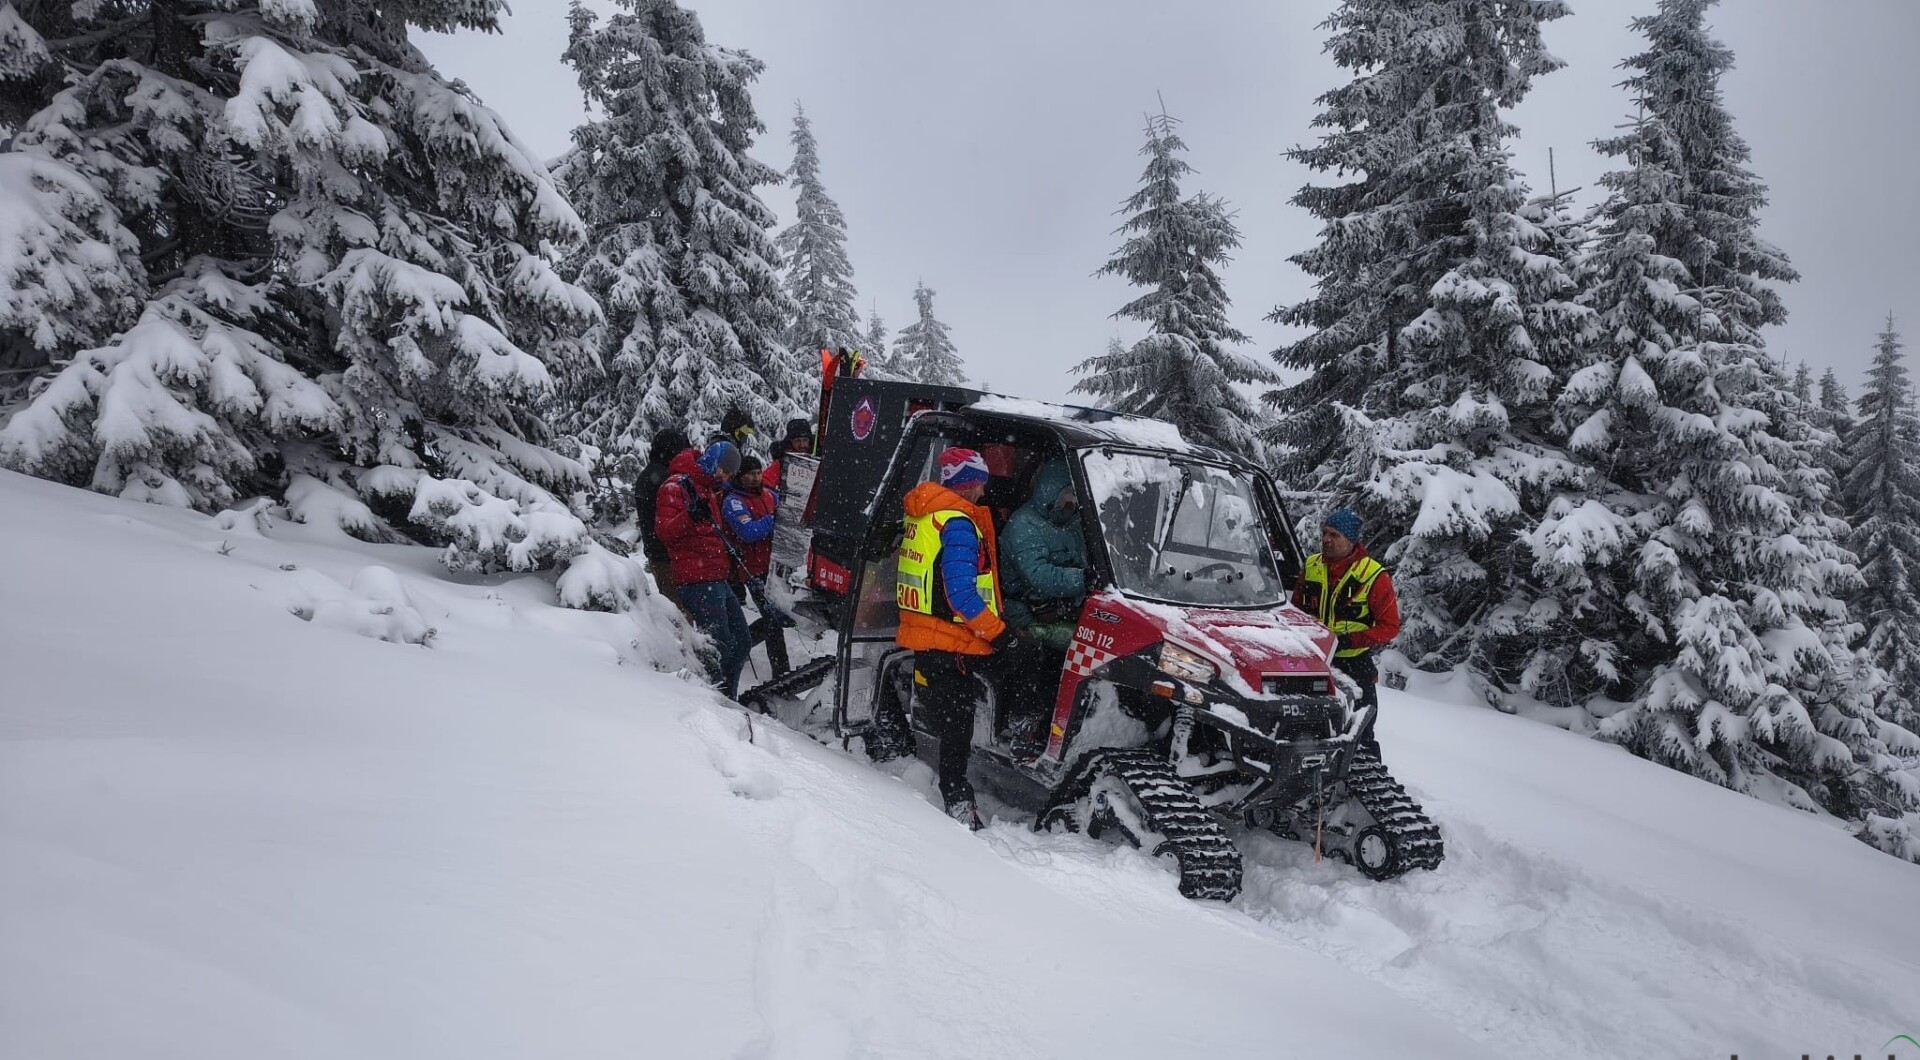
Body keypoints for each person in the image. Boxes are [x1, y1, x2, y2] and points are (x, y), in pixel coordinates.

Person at [895, 447, 1025, 830]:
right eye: (981, 483)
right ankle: (957, 795)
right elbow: (961, 594)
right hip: (950, 636)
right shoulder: (958, 524)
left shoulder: (927, 514)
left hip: (926, 630)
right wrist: (1000, 634)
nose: (984, 492)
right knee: (959, 721)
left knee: (952, 713)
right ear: (969, 484)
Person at [997, 458, 1091, 754]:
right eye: (1068, 495)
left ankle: (1068, 729)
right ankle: (1024, 727)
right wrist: (1083, 579)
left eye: (1076, 496)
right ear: (1051, 491)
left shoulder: (1074, 525)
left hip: (1059, 610)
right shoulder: (1023, 526)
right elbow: (1039, 577)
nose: (1072, 503)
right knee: (1036, 656)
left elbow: (1087, 560)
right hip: (1022, 610)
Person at [1292, 509, 1401, 741]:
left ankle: (1363, 773)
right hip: (1312, 659)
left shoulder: (1373, 575)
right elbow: (1295, 610)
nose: (1326, 539)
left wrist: (1350, 640)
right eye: (1324, 533)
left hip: (1353, 664)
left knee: (1359, 733)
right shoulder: (1312, 564)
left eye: (1334, 535)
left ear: (1350, 540)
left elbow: (1389, 627)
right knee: (1303, 726)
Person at [658, 440, 751, 700]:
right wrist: (689, 516)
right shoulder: (676, 486)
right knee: (719, 644)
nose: (725, 476)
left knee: (742, 640)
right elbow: (665, 532)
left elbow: (708, 533)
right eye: (723, 469)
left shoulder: (708, 488)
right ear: (711, 460)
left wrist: (729, 549)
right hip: (696, 579)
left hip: (715, 577)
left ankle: (726, 697)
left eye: (730, 474)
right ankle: (715, 700)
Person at [722, 455, 790, 677]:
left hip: (776, 567)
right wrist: (775, 519)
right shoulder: (733, 502)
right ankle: (781, 675)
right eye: (750, 474)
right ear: (740, 477)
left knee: (780, 617)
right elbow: (748, 532)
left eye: (758, 473)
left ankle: (740, 643)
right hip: (752, 570)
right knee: (773, 622)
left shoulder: (770, 495)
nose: (755, 478)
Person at [634, 426, 693, 610]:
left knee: (677, 604)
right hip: (667, 553)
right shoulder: (663, 477)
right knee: (680, 609)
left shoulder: (652, 474)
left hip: (660, 552)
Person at [765, 418, 813, 491]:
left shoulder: (817, 460)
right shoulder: (782, 463)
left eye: (805, 440)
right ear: (791, 442)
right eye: (798, 441)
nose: (802, 445)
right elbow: (765, 482)